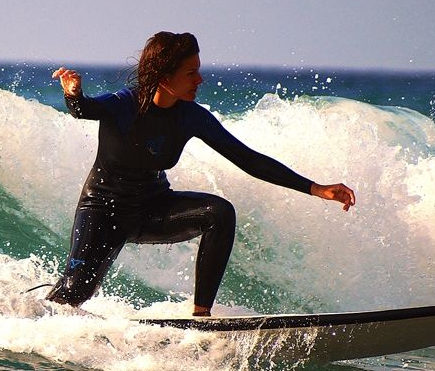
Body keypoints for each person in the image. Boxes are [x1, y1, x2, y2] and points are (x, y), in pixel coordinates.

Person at [44, 31, 355, 316]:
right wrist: (73, 93)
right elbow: (84, 110)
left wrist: (315, 188)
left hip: (152, 209)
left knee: (219, 213)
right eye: (191, 73)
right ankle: (33, 320)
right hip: (103, 210)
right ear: (164, 77)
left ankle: (201, 316)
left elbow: (246, 158)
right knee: (75, 291)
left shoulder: (191, 117)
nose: (200, 79)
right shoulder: (125, 104)